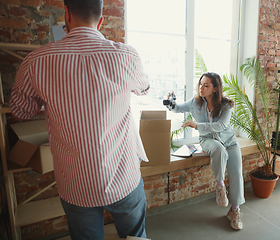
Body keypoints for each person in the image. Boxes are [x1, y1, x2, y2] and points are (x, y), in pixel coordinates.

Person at [9, 0, 150, 239]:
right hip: (123, 175)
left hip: (75, 183)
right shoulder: (126, 55)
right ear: (101, 20)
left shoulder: (36, 60)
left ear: (66, 15)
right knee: (136, 236)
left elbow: (21, 111)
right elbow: (144, 89)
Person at [165, 72, 245, 230]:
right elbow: (177, 109)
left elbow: (221, 126)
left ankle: (234, 211)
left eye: (206, 85)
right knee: (219, 150)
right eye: (201, 84)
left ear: (215, 88)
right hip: (208, 140)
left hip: (230, 141)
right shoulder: (195, 102)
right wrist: (170, 102)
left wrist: (197, 126)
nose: (201, 87)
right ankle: (220, 186)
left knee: (236, 172)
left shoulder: (226, 104)